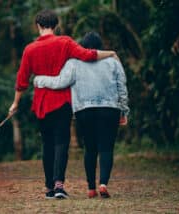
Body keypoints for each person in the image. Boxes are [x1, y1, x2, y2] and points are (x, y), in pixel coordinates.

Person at [8, 10, 118, 199]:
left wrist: (15, 103)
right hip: (62, 102)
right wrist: (110, 53)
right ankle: (59, 185)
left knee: (47, 144)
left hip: (41, 105)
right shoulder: (65, 42)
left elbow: (22, 80)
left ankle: (50, 187)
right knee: (61, 143)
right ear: (56, 25)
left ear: (38, 26)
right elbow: (87, 55)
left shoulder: (30, 49)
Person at [33, 32, 129, 199]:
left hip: (84, 111)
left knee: (90, 148)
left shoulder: (74, 63)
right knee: (106, 148)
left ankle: (91, 188)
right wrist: (124, 110)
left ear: (82, 47)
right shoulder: (113, 62)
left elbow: (60, 82)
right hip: (109, 109)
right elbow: (122, 87)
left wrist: (40, 80)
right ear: (100, 47)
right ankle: (103, 184)